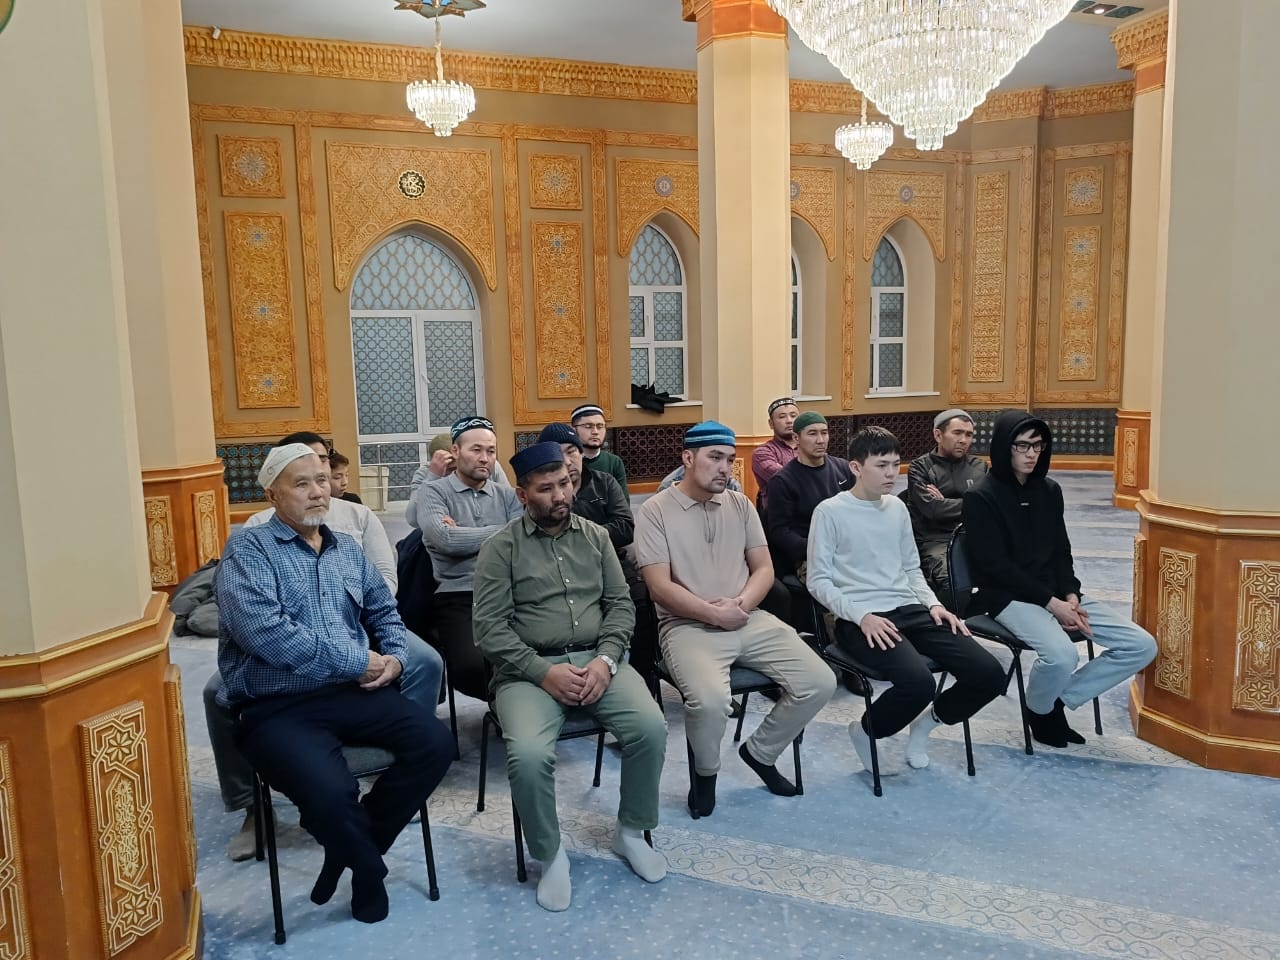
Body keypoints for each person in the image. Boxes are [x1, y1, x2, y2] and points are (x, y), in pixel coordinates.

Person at [216, 443, 454, 924]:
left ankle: (348, 852)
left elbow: (384, 612)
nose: (317, 492)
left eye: (321, 481)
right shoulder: (248, 549)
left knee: (435, 744)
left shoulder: (345, 547)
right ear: (272, 494)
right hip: (275, 705)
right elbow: (268, 635)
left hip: (351, 694)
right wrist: (356, 661)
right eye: (301, 484)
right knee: (330, 792)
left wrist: (394, 657)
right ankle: (368, 869)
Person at [473, 442, 667, 912]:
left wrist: (605, 660)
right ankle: (550, 854)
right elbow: (489, 629)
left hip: (598, 660)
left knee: (650, 728)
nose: (560, 495)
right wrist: (543, 673)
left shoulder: (596, 538)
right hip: (528, 671)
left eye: (565, 484)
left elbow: (620, 605)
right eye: (546, 489)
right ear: (522, 495)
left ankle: (630, 832)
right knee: (529, 754)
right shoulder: (500, 548)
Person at [635, 421, 835, 817]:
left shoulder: (740, 504)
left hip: (747, 617)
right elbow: (658, 587)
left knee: (819, 681)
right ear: (688, 458)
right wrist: (712, 613)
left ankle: (761, 752)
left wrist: (740, 605)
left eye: (729, 459)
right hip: (686, 626)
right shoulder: (655, 510)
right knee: (710, 703)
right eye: (715, 458)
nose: (725, 468)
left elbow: (764, 569)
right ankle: (705, 776)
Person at [807, 426, 1005, 772]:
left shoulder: (897, 508)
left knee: (989, 674)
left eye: (895, 464)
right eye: (881, 465)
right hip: (861, 619)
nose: (891, 473)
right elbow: (818, 581)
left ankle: (927, 724)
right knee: (918, 684)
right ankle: (865, 731)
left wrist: (935, 605)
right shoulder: (829, 512)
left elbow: (912, 568)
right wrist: (861, 616)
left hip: (911, 608)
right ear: (856, 467)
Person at [963, 410, 1157, 747]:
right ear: (1004, 447)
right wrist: (1052, 604)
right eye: (1022, 446)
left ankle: (1052, 703)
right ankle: (1040, 712)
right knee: (1062, 655)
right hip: (1007, 597)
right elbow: (996, 567)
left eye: (1038, 445)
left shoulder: (1049, 491)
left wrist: (1070, 595)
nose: (1031, 454)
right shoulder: (981, 497)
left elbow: (1060, 552)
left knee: (1141, 646)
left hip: (1056, 595)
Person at [410, 415, 523, 699]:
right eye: (476, 450)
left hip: (510, 591)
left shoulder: (507, 495)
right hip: (458, 594)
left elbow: (522, 540)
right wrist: (504, 530)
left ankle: (514, 707)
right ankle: (509, 704)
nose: (485, 458)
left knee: (536, 653)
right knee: (469, 669)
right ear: (455, 451)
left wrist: (462, 532)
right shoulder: (433, 491)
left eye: (491, 451)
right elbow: (445, 540)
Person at [906, 409, 988, 602]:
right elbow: (933, 510)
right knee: (952, 582)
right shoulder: (920, 467)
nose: (963, 440)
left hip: (975, 536)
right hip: (936, 541)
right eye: (957, 433)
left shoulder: (980, 467)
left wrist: (946, 502)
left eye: (968, 435)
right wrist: (974, 504)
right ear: (938, 435)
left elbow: (990, 507)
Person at [765, 411, 852, 581]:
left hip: (848, 549)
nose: (820, 440)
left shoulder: (843, 468)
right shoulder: (783, 481)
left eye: (824, 433)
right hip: (810, 557)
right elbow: (780, 532)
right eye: (812, 434)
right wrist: (818, 548)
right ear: (796, 438)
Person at [750, 397, 799, 509]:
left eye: (793, 416)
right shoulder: (762, 452)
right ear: (771, 423)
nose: (789, 420)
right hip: (780, 514)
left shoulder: (808, 447)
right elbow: (784, 478)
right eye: (782, 417)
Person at [570, 403, 628, 492]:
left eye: (600, 426)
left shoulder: (614, 462)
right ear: (574, 430)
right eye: (588, 426)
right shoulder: (568, 462)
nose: (595, 432)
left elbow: (623, 499)